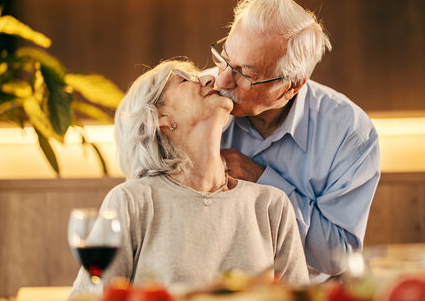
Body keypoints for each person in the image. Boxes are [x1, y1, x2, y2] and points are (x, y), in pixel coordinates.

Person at [69, 59, 309, 297]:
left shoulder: (271, 205)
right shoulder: (132, 201)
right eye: (185, 81)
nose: (209, 79)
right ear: (160, 119)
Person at [211, 0, 381, 282]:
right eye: (224, 59)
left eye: (244, 74)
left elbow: (337, 254)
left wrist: (262, 180)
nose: (223, 80)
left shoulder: (350, 133)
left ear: (291, 86)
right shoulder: (197, 99)